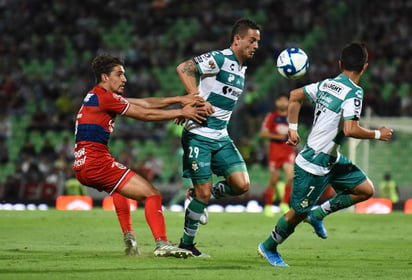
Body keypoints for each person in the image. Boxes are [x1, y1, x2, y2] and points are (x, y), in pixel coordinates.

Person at [257, 42, 393, 266]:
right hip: (314, 164)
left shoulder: (327, 84)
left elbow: (294, 95)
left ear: (340, 64)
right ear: (365, 67)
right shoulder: (354, 92)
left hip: (331, 158)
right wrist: (378, 134)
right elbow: (350, 129)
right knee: (297, 213)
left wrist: (292, 128)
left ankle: (318, 214)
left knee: (365, 190)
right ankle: (268, 246)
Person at [73, 54, 211, 257]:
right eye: (119, 74)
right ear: (105, 77)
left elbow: (144, 103)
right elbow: (144, 115)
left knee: (119, 189)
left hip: (81, 164)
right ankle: (162, 244)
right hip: (97, 163)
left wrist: (178, 99)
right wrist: (181, 112)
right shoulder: (106, 98)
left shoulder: (95, 95)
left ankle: (129, 236)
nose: (124, 79)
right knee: (152, 194)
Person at [175, 18, 261, 257]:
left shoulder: (242, 68)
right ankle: (186, 245)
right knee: (204, 193)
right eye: (251, 40)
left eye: (258, 42)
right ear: (237, 39)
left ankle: (197, 195)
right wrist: (195, 98)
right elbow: (184, 68)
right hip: (198, 135)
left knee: (241, 184)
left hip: (221, 136)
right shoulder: (221, 58)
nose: (255, 46)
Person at [260, 94, 295, 216]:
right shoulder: (272, 116)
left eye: (285, 100)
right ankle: (268, 205)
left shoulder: (291, 117)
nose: (283, 103)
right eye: (280, 100)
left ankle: (284, 203)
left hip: (288, 151)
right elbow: (264, 133)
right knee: (274, 179)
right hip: (275, 151)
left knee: (291, 176)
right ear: (276, 102)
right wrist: (279, 137)